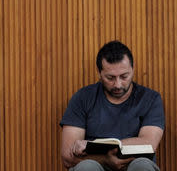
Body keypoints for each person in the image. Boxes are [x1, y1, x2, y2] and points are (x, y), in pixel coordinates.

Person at [60, 41, 164, 171]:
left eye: (124, 76)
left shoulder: (150, 98)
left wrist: (92, 146)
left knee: (142, 166)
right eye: (110, 78)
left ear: (133, 69)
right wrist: (105, 159)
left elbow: (149, 142)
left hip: (133, 163)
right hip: (93, 164)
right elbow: (67, 156)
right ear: (99, 72)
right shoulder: (83, 98)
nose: (118, 84)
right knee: (86, 168)